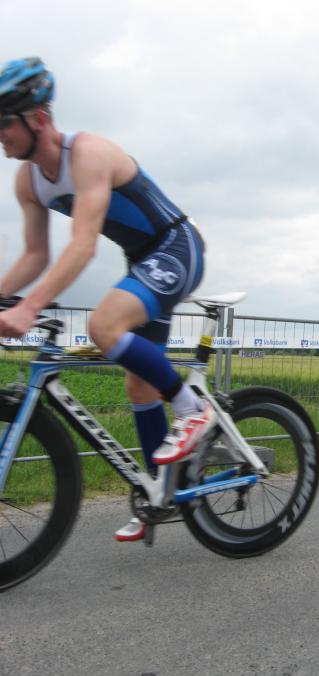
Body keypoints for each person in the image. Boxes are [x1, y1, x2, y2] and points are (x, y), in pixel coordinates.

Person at [0, 57, 216, 542]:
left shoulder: (88, 153)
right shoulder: (27, 180)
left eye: (4, 122)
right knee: (139, 386)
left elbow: (83, 246)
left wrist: (29, 306)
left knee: (103, 325)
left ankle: (191, 410)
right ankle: (160, 494)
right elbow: (36, 255)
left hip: (177, 246)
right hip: (142, 260)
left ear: (38, 118)